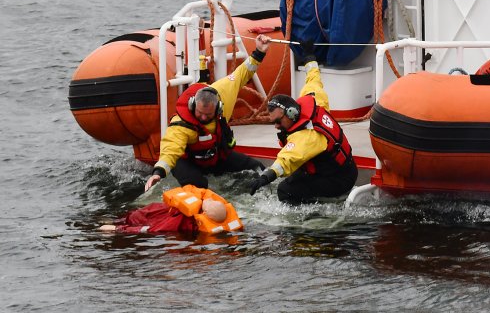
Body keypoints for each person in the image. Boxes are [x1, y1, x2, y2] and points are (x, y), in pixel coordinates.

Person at [144, 34, 271, 192]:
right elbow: (170, 149)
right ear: (192, 106)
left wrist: (259, 52)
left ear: (217, 108)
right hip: (186, 161)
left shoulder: (223, 92)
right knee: (199, 185)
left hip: (214, 156)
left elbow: (242, 73)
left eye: (208, 115)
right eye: (199, 113)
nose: (203, 118)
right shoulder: (182, 123)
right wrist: (158, 173)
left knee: (256, 168)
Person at [244, 44, 357, 204]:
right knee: (293, 178)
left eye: (278, 121)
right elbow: (314, 79)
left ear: (291, 113)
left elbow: (286, 160)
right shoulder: (315, 99)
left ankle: (311, 221)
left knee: (285, 190)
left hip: (339, 180)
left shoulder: (307, 136)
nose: (276, 126)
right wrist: (309, 56)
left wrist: (266, 177)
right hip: (341, 168)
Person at [100, 185, 242, 235]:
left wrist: (118, 229)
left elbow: (152, 229)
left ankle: (114, 221)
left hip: (154, 216)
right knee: (134, 215)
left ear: (204, 213)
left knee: (133, 217)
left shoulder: (182, 222)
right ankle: (116, 219)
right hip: (159, 211)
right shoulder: (222, 224)